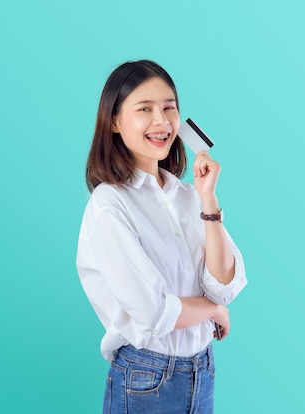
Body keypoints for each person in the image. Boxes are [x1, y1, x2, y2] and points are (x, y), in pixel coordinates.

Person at [76, 59, 247, 414]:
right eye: (145, 109)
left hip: (202, 369)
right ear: (114, 121)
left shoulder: (186, 196)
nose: (162, 121)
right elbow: (154, 312)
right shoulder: (110, 203)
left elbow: (224, 284)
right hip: (146, 377)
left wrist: (208, 200)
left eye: (169, 108)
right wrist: (212, 310)